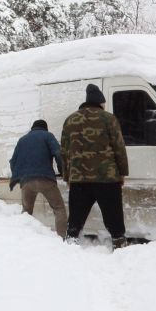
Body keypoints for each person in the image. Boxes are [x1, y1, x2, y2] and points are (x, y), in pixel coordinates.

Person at [60, 83, 130, 248]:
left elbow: (64, 151)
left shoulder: (70, 120)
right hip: (107, 179)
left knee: (75, 220)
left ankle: (70, 246)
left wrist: (67, 177)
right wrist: (122, 173)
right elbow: (119, 147)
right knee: (114, 219)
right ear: (99, 102)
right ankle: (120, 245)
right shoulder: (108, 118)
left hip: (79, 180)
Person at [8, 119, 68, 238]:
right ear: (45, 128)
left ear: (32, 128)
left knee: (26, 212)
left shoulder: (22, 140)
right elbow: (58, 153)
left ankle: (24, 237)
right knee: (59, 209)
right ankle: (62, 240)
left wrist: (19, 176)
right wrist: (63, 172)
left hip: (26, 182)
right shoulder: (47, 136)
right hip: (46, 179)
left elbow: (13, 162)